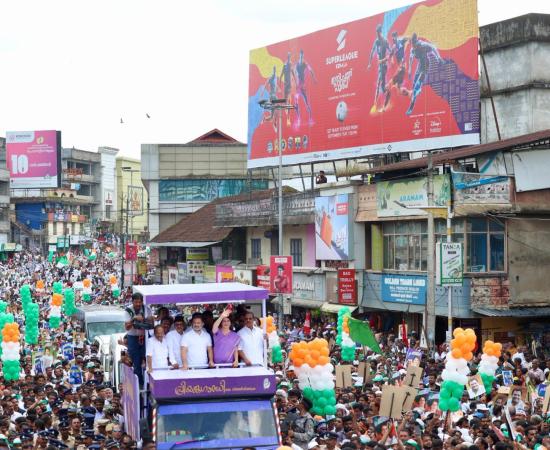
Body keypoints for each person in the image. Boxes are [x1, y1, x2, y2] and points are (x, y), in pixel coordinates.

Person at [406, 32, 442, 115]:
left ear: (416, 42)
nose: (413, 47)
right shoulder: (412, 49)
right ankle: (417, 90)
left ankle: (411, 107)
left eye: (414, 45)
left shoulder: (423, 45)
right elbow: (411, 58)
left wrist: (438, 58)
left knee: (416, 87)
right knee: (414, 86)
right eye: (412, 45)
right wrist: (410, 69)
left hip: (425, 65)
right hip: (419, 66)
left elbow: (433, 48)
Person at [123, 292, 153, 386]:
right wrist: (134, 319)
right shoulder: (128, 311)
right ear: (132, 302)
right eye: (136, 302)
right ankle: (139, 383)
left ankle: (148, 382)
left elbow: (151, 323)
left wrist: (143, 319)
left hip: (145, 337)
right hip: (132, 338)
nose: (138, 304)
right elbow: (127, 327)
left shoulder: (146, 309)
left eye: (140, 302)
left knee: (147, 358)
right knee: (136, 361)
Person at [367, 24, 390, 109]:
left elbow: (390, 51)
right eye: (376, 33)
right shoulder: (377, 41)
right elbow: (372, 51)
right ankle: (387, 93)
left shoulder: (385, 41)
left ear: (380, 32)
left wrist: (389, 59)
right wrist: (369, 63)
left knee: (378, 83)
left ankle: (375, 103)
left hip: (383, 66)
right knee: (382, 87)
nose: (377, 35)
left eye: (378, 33)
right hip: (380, 66)